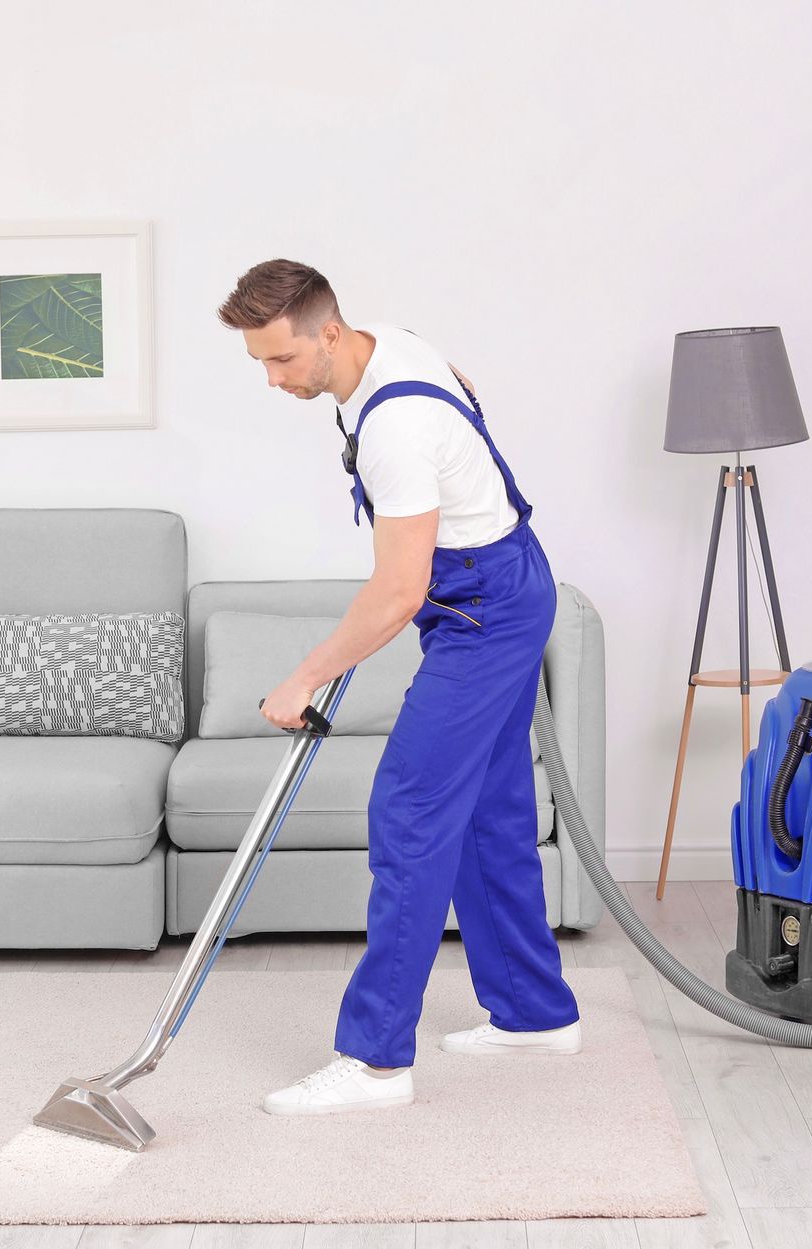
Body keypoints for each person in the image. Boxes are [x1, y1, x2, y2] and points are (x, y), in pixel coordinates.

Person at [214, 259, 582, 1117]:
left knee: (410, 813)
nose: (273, 381)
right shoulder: (393, 345)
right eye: (260, 363)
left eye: (282, 360)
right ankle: (534, 1012)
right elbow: (461, 382)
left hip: (482, 609)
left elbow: (397, 593)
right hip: (503, 583)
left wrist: (304, 676)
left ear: (330, 333)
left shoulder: (397, 429)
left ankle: (375, 1060)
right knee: (487, 808)